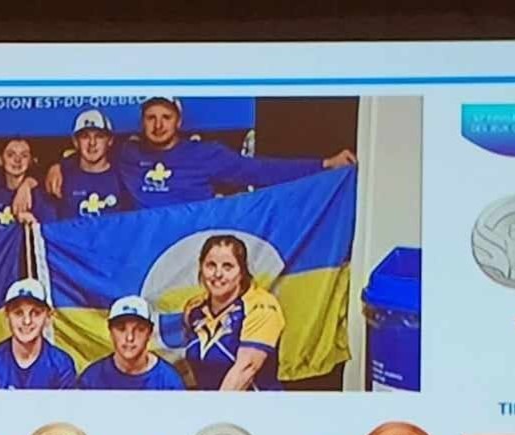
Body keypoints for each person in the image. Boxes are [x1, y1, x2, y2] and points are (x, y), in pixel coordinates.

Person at [41, 96, 354, 210]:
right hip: (141, 249)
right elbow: (90, 156)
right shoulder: (127, 153)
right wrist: (56, 164)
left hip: (192, 247)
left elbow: (259, 172)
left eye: (166, 117)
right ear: (142, 123)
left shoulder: (204, 153)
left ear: (178, 121)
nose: (158, 125)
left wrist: (324, 164)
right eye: (151, 118)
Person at [166, 234, 284, 392]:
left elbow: (246, 370)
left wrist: (218, 410)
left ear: (242, 271)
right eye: (211, 265)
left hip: (258, 408)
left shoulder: (262, 306)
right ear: (201, 267)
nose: (218, 274)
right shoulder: (194, 309)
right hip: (211, 407)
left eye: (228, 266)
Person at [14, 110, 135, 223]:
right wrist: (27, 184)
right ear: (75, 142)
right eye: (85, 137)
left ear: (110, 141)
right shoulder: (61, 177)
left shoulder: (123, 175)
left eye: (99, 136)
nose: (92, 143)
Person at [0, 279, 78, 390]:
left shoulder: (61, 365)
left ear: (48, 316)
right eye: (18, 313)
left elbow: (66, 407)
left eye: (36, 313)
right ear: (7, 315)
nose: (27, 321)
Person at [78, 296, 184, 392]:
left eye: (139, 329)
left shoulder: (168, 382)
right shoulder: (91, 379)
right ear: (110, 332)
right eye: (121, 329)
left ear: (150, 333)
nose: (130, 337)